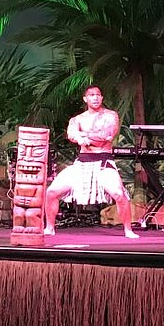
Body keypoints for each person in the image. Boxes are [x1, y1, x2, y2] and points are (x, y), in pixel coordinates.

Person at [44, 85, 139, 239]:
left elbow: (106, 136)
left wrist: (84, 136)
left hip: (103, 162)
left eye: (98, 95)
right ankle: (49, 227)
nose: (95, 97)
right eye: (91, 95)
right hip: (82, 163)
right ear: (85, 99)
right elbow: (71, 135)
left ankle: (128, 229)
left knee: (118, 194)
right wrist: (83, 137)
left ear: (101, 98)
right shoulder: (77, 119)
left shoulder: (111, 115)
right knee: (51, 192)